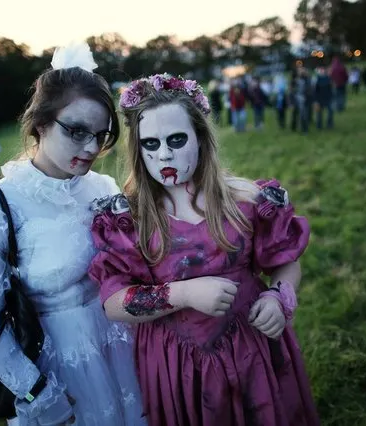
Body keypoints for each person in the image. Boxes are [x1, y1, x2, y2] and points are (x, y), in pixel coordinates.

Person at [89, 73, 320, 426]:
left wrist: (278, 297)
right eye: (150, 143)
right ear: (137, 149)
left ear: (201, 138)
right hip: (179, 365)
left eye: (176, 139)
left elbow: (286, 262)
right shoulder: (129, 219)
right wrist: (182, 293)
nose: (163, 153)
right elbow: (114, 303)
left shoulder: (246, 200)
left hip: (254, 351)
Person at [0, 42, 146, 426]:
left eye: (101, 135)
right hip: (60, 371)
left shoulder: (102, 186)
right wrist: (36, 391)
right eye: (76, 131)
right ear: (40, 123)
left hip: (125, 348)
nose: (91, 148)